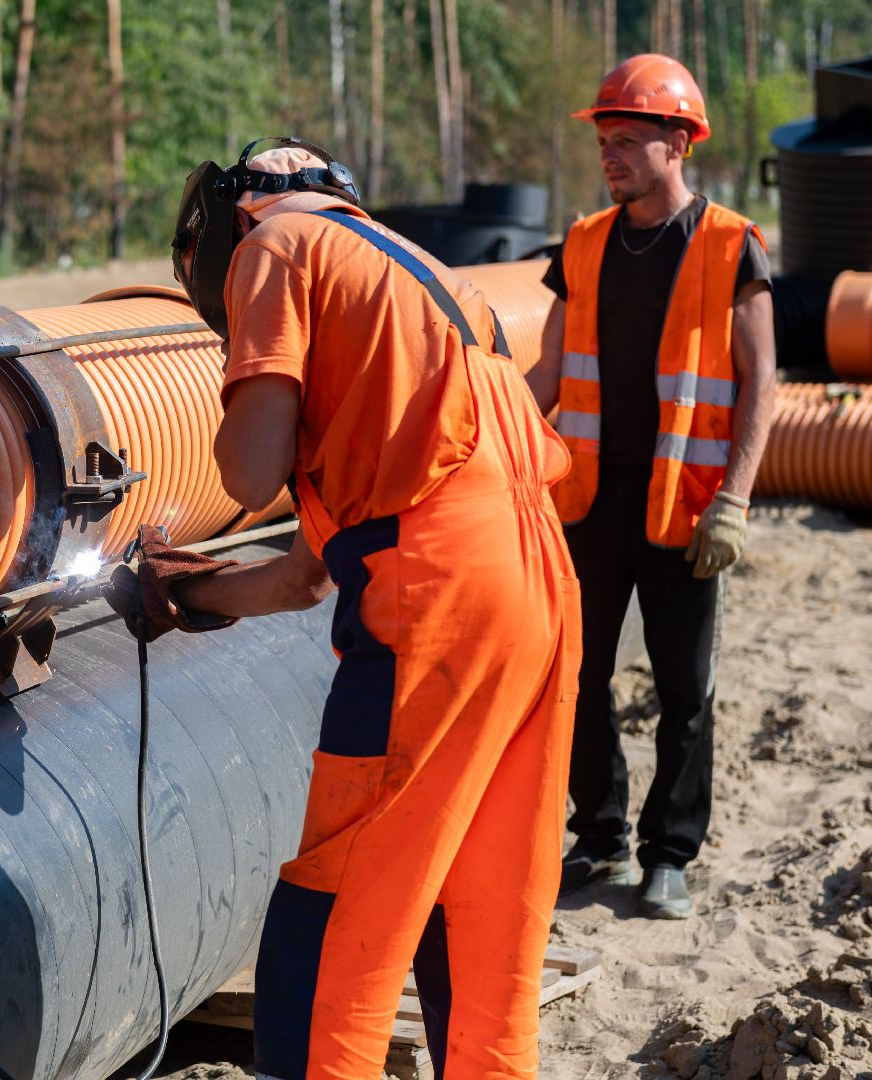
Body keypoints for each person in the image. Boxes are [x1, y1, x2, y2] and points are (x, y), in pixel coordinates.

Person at [108, 137, 581, 1080]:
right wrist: (190, 594)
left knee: (335, 912)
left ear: (240, 213)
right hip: (537, 584)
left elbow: (248, 471)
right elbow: (304, 578)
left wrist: (242, 395)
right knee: (482, 905)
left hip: (440, 598)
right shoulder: (427, 285)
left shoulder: (274, 248)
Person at [524, 54, 776, 919]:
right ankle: (600, 839)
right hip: (589, 503)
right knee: (577, 677)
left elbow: (760, 382)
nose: (611, 155)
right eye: (604, 140)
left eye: (627, 139)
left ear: (680, 142)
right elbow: (548, 373)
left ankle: (670, 852)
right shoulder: (584, 244)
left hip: (686, 507)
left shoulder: (730, 245)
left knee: (683, 689)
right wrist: (481, 438)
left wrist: (734, 500)